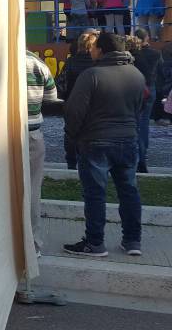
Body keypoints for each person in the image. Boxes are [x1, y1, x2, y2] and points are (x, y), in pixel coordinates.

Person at [63, 32, 144, 258]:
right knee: (129, 191)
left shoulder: (92, 75)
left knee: (95, 195)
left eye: (94, 47)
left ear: (101, 49)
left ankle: (95, 243)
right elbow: (138, 108)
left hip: (95, 141)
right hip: (128, 140)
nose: (90, 50)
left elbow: (74, 111)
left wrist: (72, 137)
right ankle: (132, 240)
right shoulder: (136, 74)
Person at [25, 50, 60, 257]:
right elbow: (51, 97)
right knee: (31, 191)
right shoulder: (37, 63)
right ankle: (32, 245)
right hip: (31, 135)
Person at [60, 30, 98, 168]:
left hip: (72, 102)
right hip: (92, 104)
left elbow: (62, 84)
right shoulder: (97, 64)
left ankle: (71, 163)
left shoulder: (71, 61)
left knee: (70, 133)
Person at [129, 29, 162, 173]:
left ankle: (134, 157)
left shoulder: (132, 55)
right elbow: (161, 73)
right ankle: (142, 158)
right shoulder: (156, 54)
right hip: (150, 89)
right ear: (147, 37)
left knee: (133, 124)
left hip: (134, 89)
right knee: (144, 125)